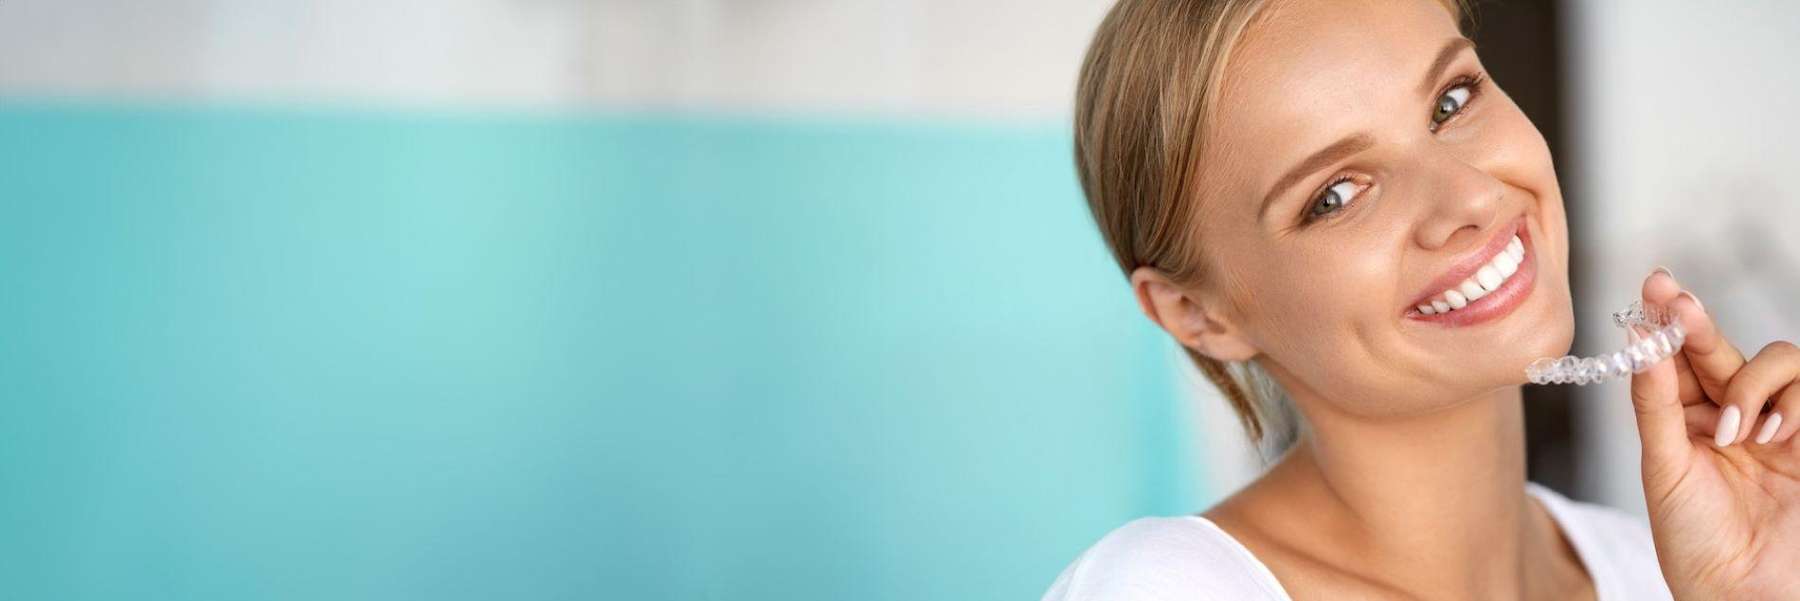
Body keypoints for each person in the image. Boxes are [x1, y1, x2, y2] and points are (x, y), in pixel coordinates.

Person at [1043, 0, 1800, 599]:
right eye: (1336, 195)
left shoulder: (1665, 572)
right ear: (1196, 313)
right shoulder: (1165, 590)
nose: (1470, 195)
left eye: (1451, 102)